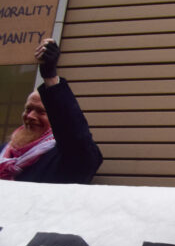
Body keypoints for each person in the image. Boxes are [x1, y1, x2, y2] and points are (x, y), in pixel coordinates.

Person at [0, 39, 103, 183]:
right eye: (28, 109)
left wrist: (50, 78)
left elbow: (76, 137)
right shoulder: (3, 152)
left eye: (40, 111)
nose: (30, 116)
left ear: (55, 116)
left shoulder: (68, 157)